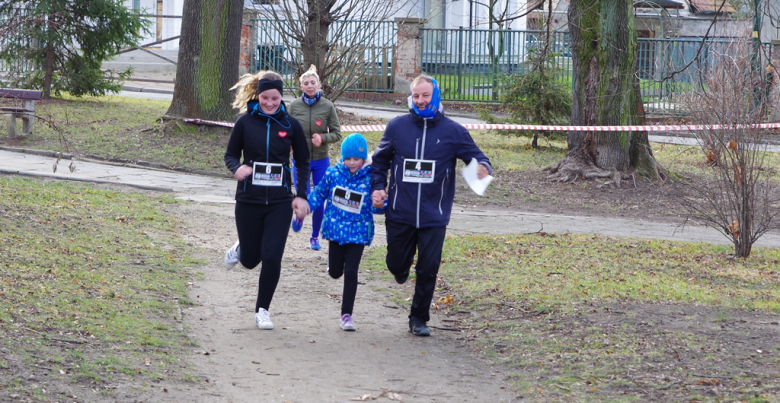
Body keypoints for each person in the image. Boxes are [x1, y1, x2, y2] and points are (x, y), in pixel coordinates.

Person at [370, 75, 492, 337]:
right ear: (410, 98)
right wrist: (378, 187)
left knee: (428, 267)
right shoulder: (397, 126)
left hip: (434, 214)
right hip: (400, 210)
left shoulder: (454, 131)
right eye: (416, 96)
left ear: (435, 96)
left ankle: (418, 318)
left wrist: (483, 167)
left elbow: (477, 156)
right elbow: (380, 161)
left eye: (425, 96)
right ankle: (400, 269)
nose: (421, 101)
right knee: (395, 263)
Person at [223, 71, 311, 330]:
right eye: (264, 98)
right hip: (248, 199)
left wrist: (301, 195)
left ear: (281, 97)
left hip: (279, 202)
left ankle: (263, 310)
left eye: (275, 98)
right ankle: (240, 250)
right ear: (257, 96)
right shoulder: (245, 122)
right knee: (251, 261)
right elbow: (230, 155)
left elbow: (303, 161)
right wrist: (236, 168)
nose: (270, 103)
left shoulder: (291, 125)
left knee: (272, 256)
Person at [306, 133, 386, 331]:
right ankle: (333, 267)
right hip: (335, 232)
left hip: (357, 233)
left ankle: (346, 315)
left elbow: (376, 207)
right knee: (335, 272)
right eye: (348, 158)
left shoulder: (370, 178)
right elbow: (319, 193)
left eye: (356, 159)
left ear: (363, 159)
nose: (352, 163)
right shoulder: (333, 174)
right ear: (342, 158)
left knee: (351, 272)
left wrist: (380, 204)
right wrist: (306, 207)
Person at [288, 65, 342, 251]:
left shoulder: (327, 106)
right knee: (302, 195)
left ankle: (314, 237)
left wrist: (323, 138)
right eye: (306, 83)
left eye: (313, 83)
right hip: (300, 161)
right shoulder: (294, 106)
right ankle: (299, 215)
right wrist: (289, 143)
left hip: (321, 160)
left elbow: (337, 133)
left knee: (320, 200)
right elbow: (286, 131)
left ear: (319, 84)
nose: (310, 86)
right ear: (301, 86)